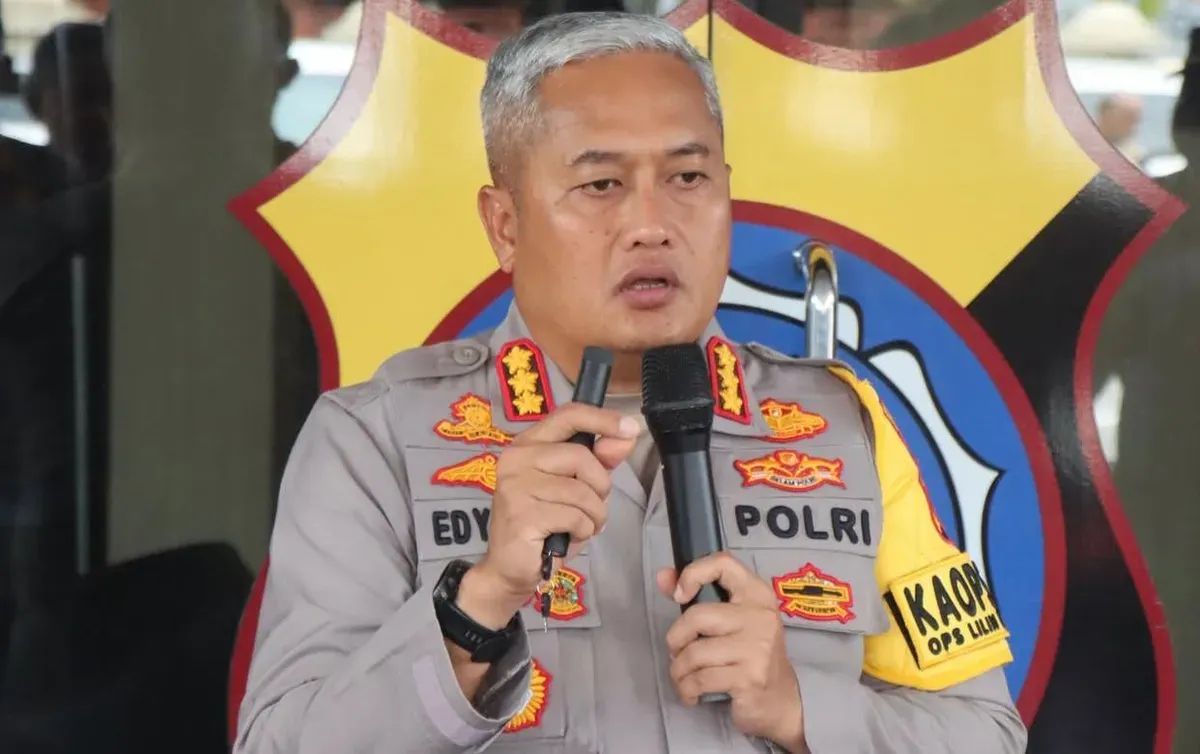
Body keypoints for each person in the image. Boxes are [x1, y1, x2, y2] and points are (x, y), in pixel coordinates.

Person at [235, 12, 1026, 753]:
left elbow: (985, 732)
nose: (652, 224)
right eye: (602, 185)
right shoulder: (375, 438)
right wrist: (479, 604)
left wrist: (798, 708)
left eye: (688, 176)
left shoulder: (841, 426)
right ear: (505, 225)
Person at [1095, 93, 1145, 165]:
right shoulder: (1081, 145)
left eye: (1135, 119)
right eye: (1127, 118)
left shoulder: (1136, 156)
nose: (1133, 125)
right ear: (1106, 115)